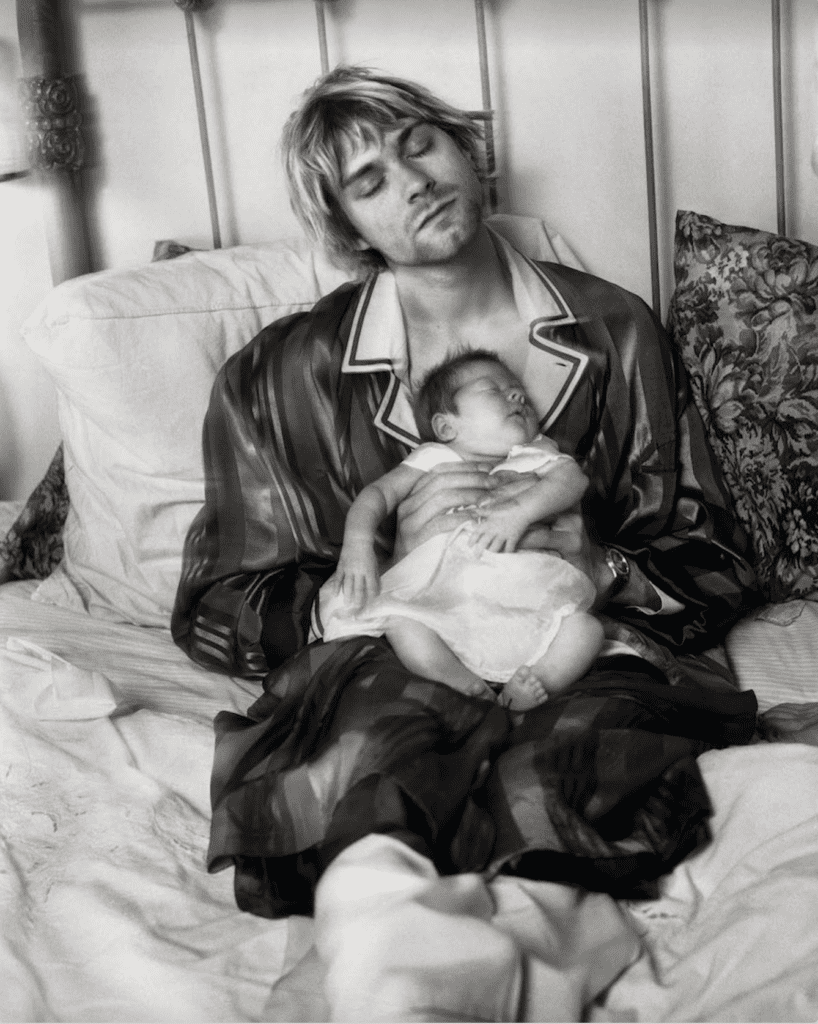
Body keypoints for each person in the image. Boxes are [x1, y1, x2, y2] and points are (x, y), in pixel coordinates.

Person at [172, 66, 760, 1020]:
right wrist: (370, 581)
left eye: (421, 145)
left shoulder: (615, 330)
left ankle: (529, 945)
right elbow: (217, 601)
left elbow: (714, 556)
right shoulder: (281, 374)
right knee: (382, 752)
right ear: (346, 226)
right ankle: (391, 968)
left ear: (466, 148)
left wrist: (601, 567)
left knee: (566, 763)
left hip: (574, 638)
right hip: (402, 644)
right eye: (369, 181)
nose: (412, 182)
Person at [320, 348, 604, 710]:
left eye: (520, 393)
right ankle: (461, 682)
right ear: (446, 427)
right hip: (447, 601)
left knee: (585, 630)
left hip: (528, 597)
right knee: (406, 626)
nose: (517, 396)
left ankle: (537, 680)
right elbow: (377, 494)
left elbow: (573, 481)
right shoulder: (433, 457)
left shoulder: (538, 454)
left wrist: (518, 513)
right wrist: (357, 543)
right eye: (494, 390)